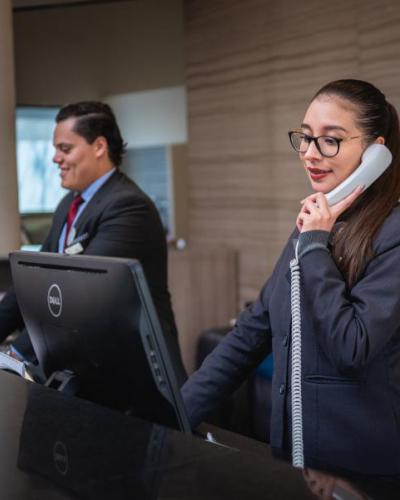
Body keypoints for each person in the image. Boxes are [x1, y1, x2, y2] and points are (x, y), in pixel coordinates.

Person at [182, 79, 400, 474]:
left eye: (330, 140)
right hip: (295, 463)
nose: (310, 153)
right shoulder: (315, 224)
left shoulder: (388, 232)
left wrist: (315, 244)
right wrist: (174, 413)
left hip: (362, 473)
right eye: (305, 137)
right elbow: (251, 332)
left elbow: (352, 346)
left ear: (376, 153)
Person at [0, 101, 186, 383]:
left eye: (65, 149)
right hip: (83, 367)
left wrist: (15, 355)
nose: (55, 158)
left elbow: (78, 296)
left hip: (131, 376)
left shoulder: (128, 207)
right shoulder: (68, 204)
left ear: (99, 146)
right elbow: (30, 285)